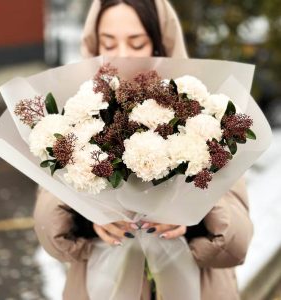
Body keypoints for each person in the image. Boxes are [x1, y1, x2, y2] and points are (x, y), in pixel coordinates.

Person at [33, 1, 253, 299]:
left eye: (136, 43)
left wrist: (194, 214)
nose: (121, 54)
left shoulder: (203, 116)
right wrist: (89, 217)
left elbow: (236, 243)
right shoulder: (73, 121)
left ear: (161, 45)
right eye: (108, 43)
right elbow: (49, 230)